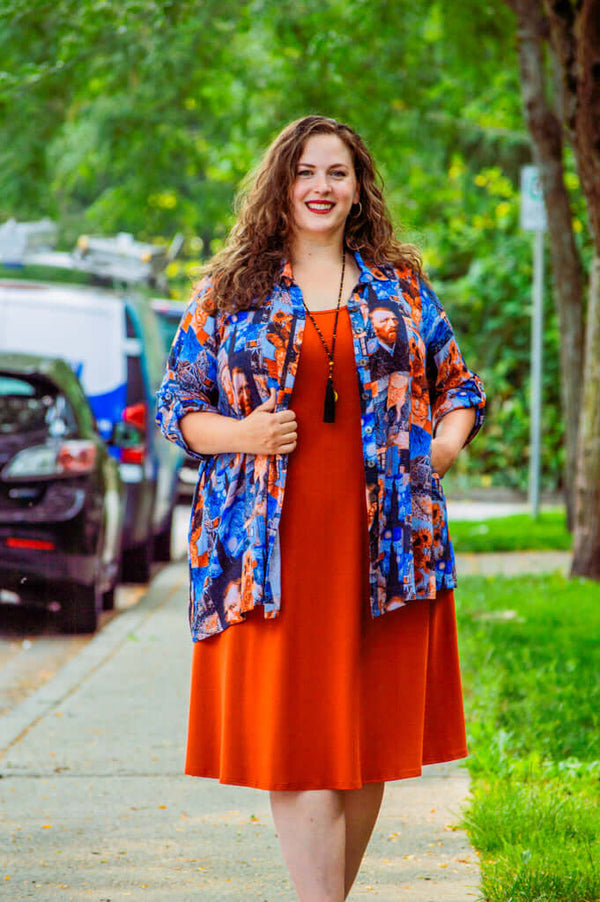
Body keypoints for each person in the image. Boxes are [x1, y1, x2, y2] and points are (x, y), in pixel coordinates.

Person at [156, 115, 485, 902]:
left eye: (337, 172)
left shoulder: (398, 285)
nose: (321, 187)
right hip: (273, 547)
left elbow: (459, 387)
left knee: (367, 743)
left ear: (358, 188)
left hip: (389, 544)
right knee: (301, 743)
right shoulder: (231, 289)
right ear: (281, 185)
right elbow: (177, 405)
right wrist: (243, 433)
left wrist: (440, 450)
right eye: (305, 171)